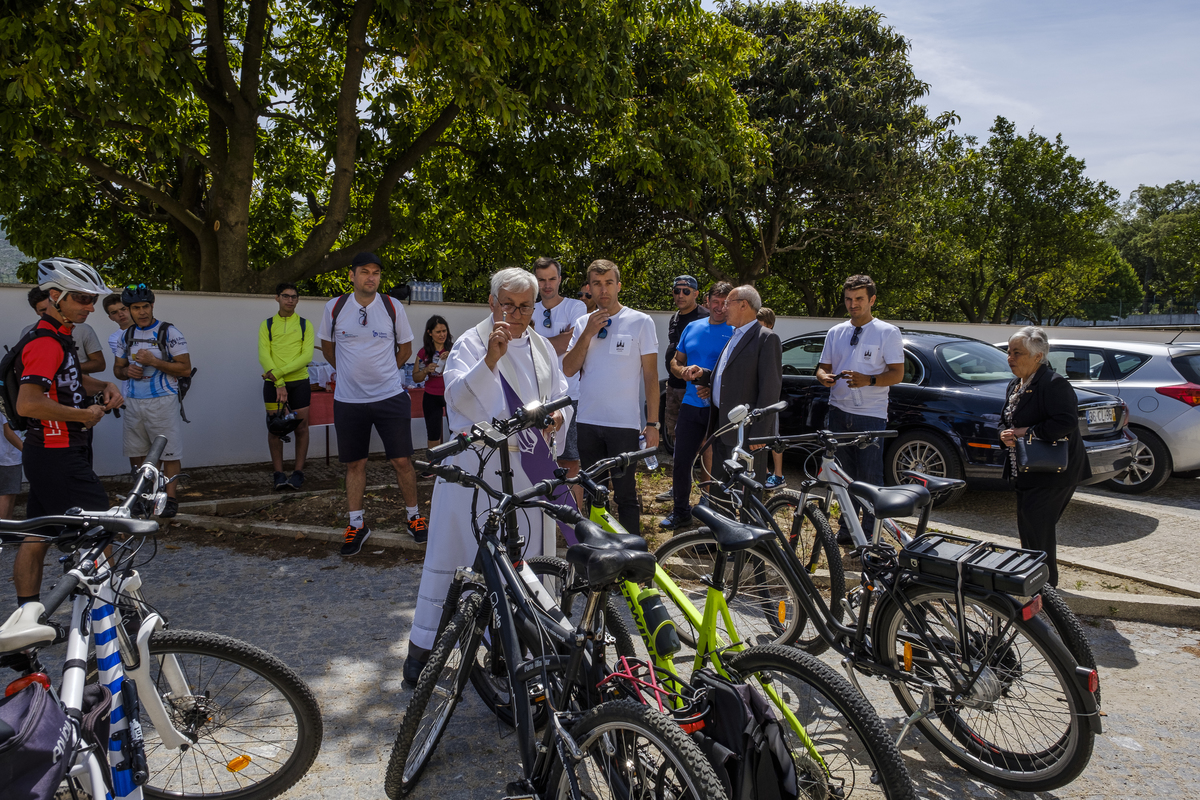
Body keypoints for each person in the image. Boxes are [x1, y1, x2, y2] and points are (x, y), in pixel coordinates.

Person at [405, 267, 571, 684]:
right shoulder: (471, 343)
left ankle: (515, 651)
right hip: (476, 474)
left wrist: (556, 417)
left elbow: (563, 393)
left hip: (529, 472)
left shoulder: (541, 347)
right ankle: (424, 653)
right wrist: (490, 361)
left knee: (525, 563)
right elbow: (459, 400)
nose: (516, 315)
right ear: (492, 303)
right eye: (508, 305)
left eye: (525, 306)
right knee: (458, 559)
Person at [12, 258, 123, 609]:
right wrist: (83, 415)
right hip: (57, 451)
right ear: (56, 296)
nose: (90, 307)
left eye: (92, 300)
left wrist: (104, 383)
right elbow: (27, 403)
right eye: (81, 299)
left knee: (36, 535)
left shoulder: (61, 336)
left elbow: (70, 380)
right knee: (100, 529)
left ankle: (26, 620)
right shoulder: (46, 342)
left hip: (49, 452)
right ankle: (118, 616)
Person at [318, 252, 424, 553]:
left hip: (390, 396)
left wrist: (384, 372)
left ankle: (414, 517)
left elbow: (405, 348)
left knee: (402, 460)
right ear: (352, 276)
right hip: (348, 400)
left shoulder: (392, 306)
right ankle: (356, 524)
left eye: (376, 272)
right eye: (364, 271)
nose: (371, 277)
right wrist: (351, 374)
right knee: (355, 463)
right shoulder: (335, 307)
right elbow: (328, 348)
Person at [564, 259, 660, 534]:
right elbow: (568, 368)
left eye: (608, 283)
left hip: (624, 426)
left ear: (618, 286)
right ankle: (599, 556)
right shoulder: (583, 322)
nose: (603, 290)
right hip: (588, 423)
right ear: (589, 288)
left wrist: (652, 424)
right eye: (597, 284)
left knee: (626, 496)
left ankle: (632, 561)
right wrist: (588, 333)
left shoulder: (641, 321)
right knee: (595, 494)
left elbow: (651, 376)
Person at [814, 275, 904, 543]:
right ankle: (847, 529)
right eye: (848, 299)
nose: (852, 304)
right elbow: (823, 367)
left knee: (870, 477)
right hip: (838, 411)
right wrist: (822, 377)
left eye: (859, 299)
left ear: (872, 300)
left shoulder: (887, 332)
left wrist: (870, 380)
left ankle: (870, 534)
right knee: (842, 476)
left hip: (871, 415)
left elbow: (897, 374)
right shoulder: (836, 331)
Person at [999, 326, 1089, 587]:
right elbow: (1005, 420)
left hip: (1053, 471)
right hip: (1025, 469)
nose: (1010, 357)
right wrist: (1004, 435)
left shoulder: (1054, 383)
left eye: (1017, 353)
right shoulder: (1016, 384)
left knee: (1039, 529)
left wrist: (1027, 432)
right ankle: (1034, 581)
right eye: (1009, 352)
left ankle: (1047, 589)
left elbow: (1066, 422)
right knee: (1028, 526)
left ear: (1038, 356)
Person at [684, 285, 781, 499]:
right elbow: (729, 375)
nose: (723, 308)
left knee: (747, 494)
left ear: (744, 305)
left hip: (747, 433)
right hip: (722, 426)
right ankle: (722, 529)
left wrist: (761, 433)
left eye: (728, 303)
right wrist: (704, 375)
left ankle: (750, 531)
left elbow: (770, 389)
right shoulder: (735, 334)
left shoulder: (765, 338)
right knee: (722, 487)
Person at [112, 283, 192, 518]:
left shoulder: (169, 332)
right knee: (138, 454)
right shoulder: (126, 335)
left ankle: (170, 498)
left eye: (145, 306)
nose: (142, 312)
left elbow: (185, 368)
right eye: (136, 308)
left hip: (163, 400)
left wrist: (155, 362)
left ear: (152, 306)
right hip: (134, 401)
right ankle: (143, 496)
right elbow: (118, 369)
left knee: (169, 453)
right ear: (128, 310)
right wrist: (127, 372)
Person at [659, 282, 732, 530]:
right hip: (691, 403)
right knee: (681, 460)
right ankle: (681, 511)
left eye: (725, 302)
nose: (720, 307)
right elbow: (675, 362)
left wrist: (713, 385)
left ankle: (710, 510)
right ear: (707, 301)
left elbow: (738, 373)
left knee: (715, 464)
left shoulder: (736, 330)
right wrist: (684, 372)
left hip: (719, 407)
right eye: (716, 301)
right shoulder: (692, 327)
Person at [533, 256, 587, 504]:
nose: (547, 285)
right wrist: (558, 340)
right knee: (537, 461)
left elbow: (570, 342)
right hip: (534, 397)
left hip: (568, 395)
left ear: (560, 280)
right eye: (542, 280)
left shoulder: (576, 307)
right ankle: (547, 519)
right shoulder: (528, 309)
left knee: (569, 462)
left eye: (552, 279)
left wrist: (535, 344)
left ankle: (576, 522)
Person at [259, 282, 315, 491]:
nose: (290, 300)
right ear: (277, 298)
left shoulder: (304, 324)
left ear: (297, 300)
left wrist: (279, 375)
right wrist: (279, 383)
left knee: (301, 427)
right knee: (275, 428)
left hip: (299, 381)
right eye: (285, 296)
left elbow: (306, 356)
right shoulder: (266, 325)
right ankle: (278, 474)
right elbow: (264, 355)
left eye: (293, 297)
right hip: (273, 383)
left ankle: (298, 473)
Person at [663, 276, 709, 453]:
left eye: (686, 291)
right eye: (676, 291)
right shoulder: (675, 318)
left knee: (699, 439)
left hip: (695, 390)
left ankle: (702, 477)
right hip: (674, 386)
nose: (680, 295)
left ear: (696, 294)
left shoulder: (705, 317)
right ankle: (682, 475)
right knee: (676, 435)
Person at [24, 287, 105, 375]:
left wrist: (67, 368)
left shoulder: (83, 329)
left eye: (51, 307)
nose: (49, 312)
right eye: (43, 310)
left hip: (80, 386)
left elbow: (100, 364)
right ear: (36, 311)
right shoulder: (29, 332)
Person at [412, 315, 453, 453]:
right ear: (430, 333)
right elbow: (416, 378)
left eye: (444, 331)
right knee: (433, 433)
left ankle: (458, 464)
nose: (442, 335)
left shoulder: (454, 349)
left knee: (456, 430)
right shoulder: (423, 352)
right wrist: (425, 371)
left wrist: (452, 358)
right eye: (438, 332)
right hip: (431, 396)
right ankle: (435, 465)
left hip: (450, 395)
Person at [756, 306, 786, 490]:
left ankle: (779, 475)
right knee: (760, 439)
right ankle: (766, 471)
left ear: (770, 325)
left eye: (761, 325)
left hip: (770, 401)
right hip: (757, 399)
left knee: (774, 438)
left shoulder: (772, 341)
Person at [0, 411, 22, 520]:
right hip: (8, 457)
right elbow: (9, 433)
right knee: (6, 497)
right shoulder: (6, 401)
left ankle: (6, 534)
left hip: (8, 457)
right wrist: (28, 452)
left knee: (9, 496)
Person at [103, 294, 133, 359]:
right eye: (114, 312)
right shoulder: (115, 338)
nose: (120, 314)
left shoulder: (152, 328)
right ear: (111, 318)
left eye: (123, 309)